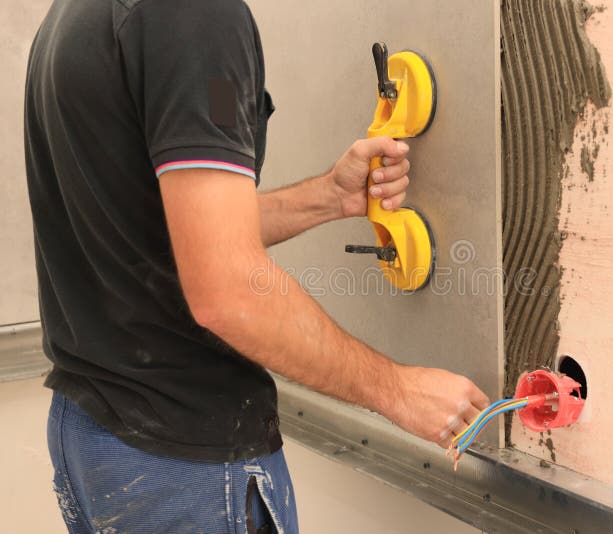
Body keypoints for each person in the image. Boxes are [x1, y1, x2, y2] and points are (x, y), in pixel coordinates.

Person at [24, 0, 490, 532]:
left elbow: (170, 232)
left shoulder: (75, 14)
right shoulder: (196, 14)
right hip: (184, 464)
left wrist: (327, 197)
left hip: (93, 434)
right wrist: (398, 390)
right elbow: (228, 291)